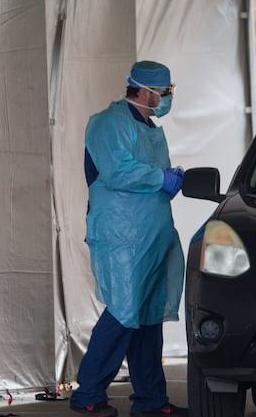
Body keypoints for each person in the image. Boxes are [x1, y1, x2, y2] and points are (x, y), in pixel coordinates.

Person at [70, 61, 188, 417]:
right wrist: (161, 178)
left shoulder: (149, 127)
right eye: (164, 91)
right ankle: (88, 394)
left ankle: (152, 400)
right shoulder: (109, 123)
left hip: (151, 234)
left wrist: (169, 179)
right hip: (122, 237)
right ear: (144, 90)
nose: (167, 98)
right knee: (122, 312)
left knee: (148, 318)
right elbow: (118, 171)